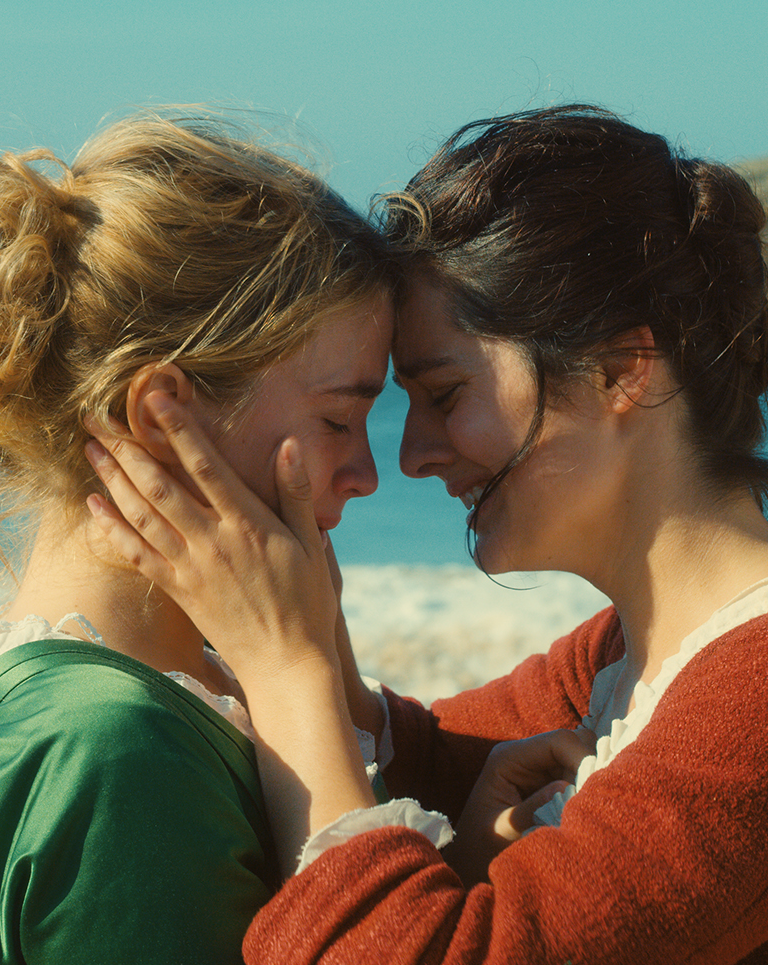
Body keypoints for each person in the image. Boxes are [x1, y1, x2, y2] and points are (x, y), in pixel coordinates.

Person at [85, 106, 768, 963]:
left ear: (619, 372)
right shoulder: (615, 660)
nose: (409, 457)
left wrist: (286, 665)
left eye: (443, 395)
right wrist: (314, 631)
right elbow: (434, 760)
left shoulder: (750, 701)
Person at [0, 110, 394, 964]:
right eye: (338, 418)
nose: (367, 473)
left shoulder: (154, 706)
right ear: (162, 414)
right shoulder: (118, 754)